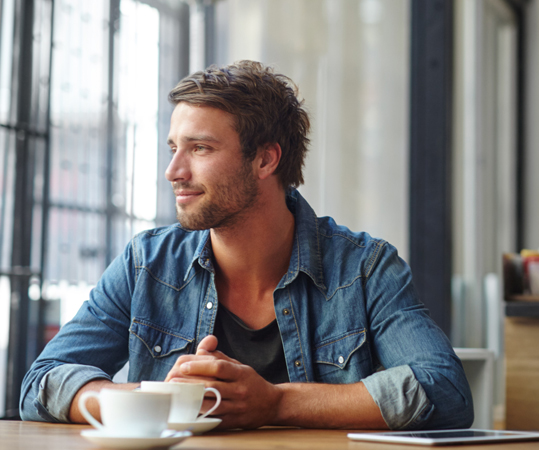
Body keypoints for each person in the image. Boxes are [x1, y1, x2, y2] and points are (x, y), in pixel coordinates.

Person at [20, 60, 473, 430]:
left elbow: (444, 392)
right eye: (173, 147)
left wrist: (275, 404)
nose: (173, 171)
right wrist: (157, 400)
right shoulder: (147, 263)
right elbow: (41, 383)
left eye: (199, 149)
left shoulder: (367, 268)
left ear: (265, 159)